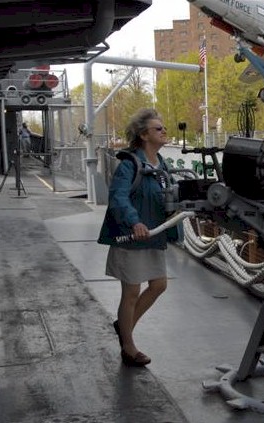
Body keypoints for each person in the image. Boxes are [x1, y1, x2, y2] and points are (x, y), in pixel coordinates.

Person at [97, 108, 172, 367]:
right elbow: (118, 197)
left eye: (163, 127)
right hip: (132, 236)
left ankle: (123, 326)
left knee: (159, 285)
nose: (164, 131)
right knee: (131, 292)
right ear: (143, 135)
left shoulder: (162, 165)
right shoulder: (129, 164)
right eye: (158, 128)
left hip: (153, 235)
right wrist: (134, 221)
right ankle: (128, 347)